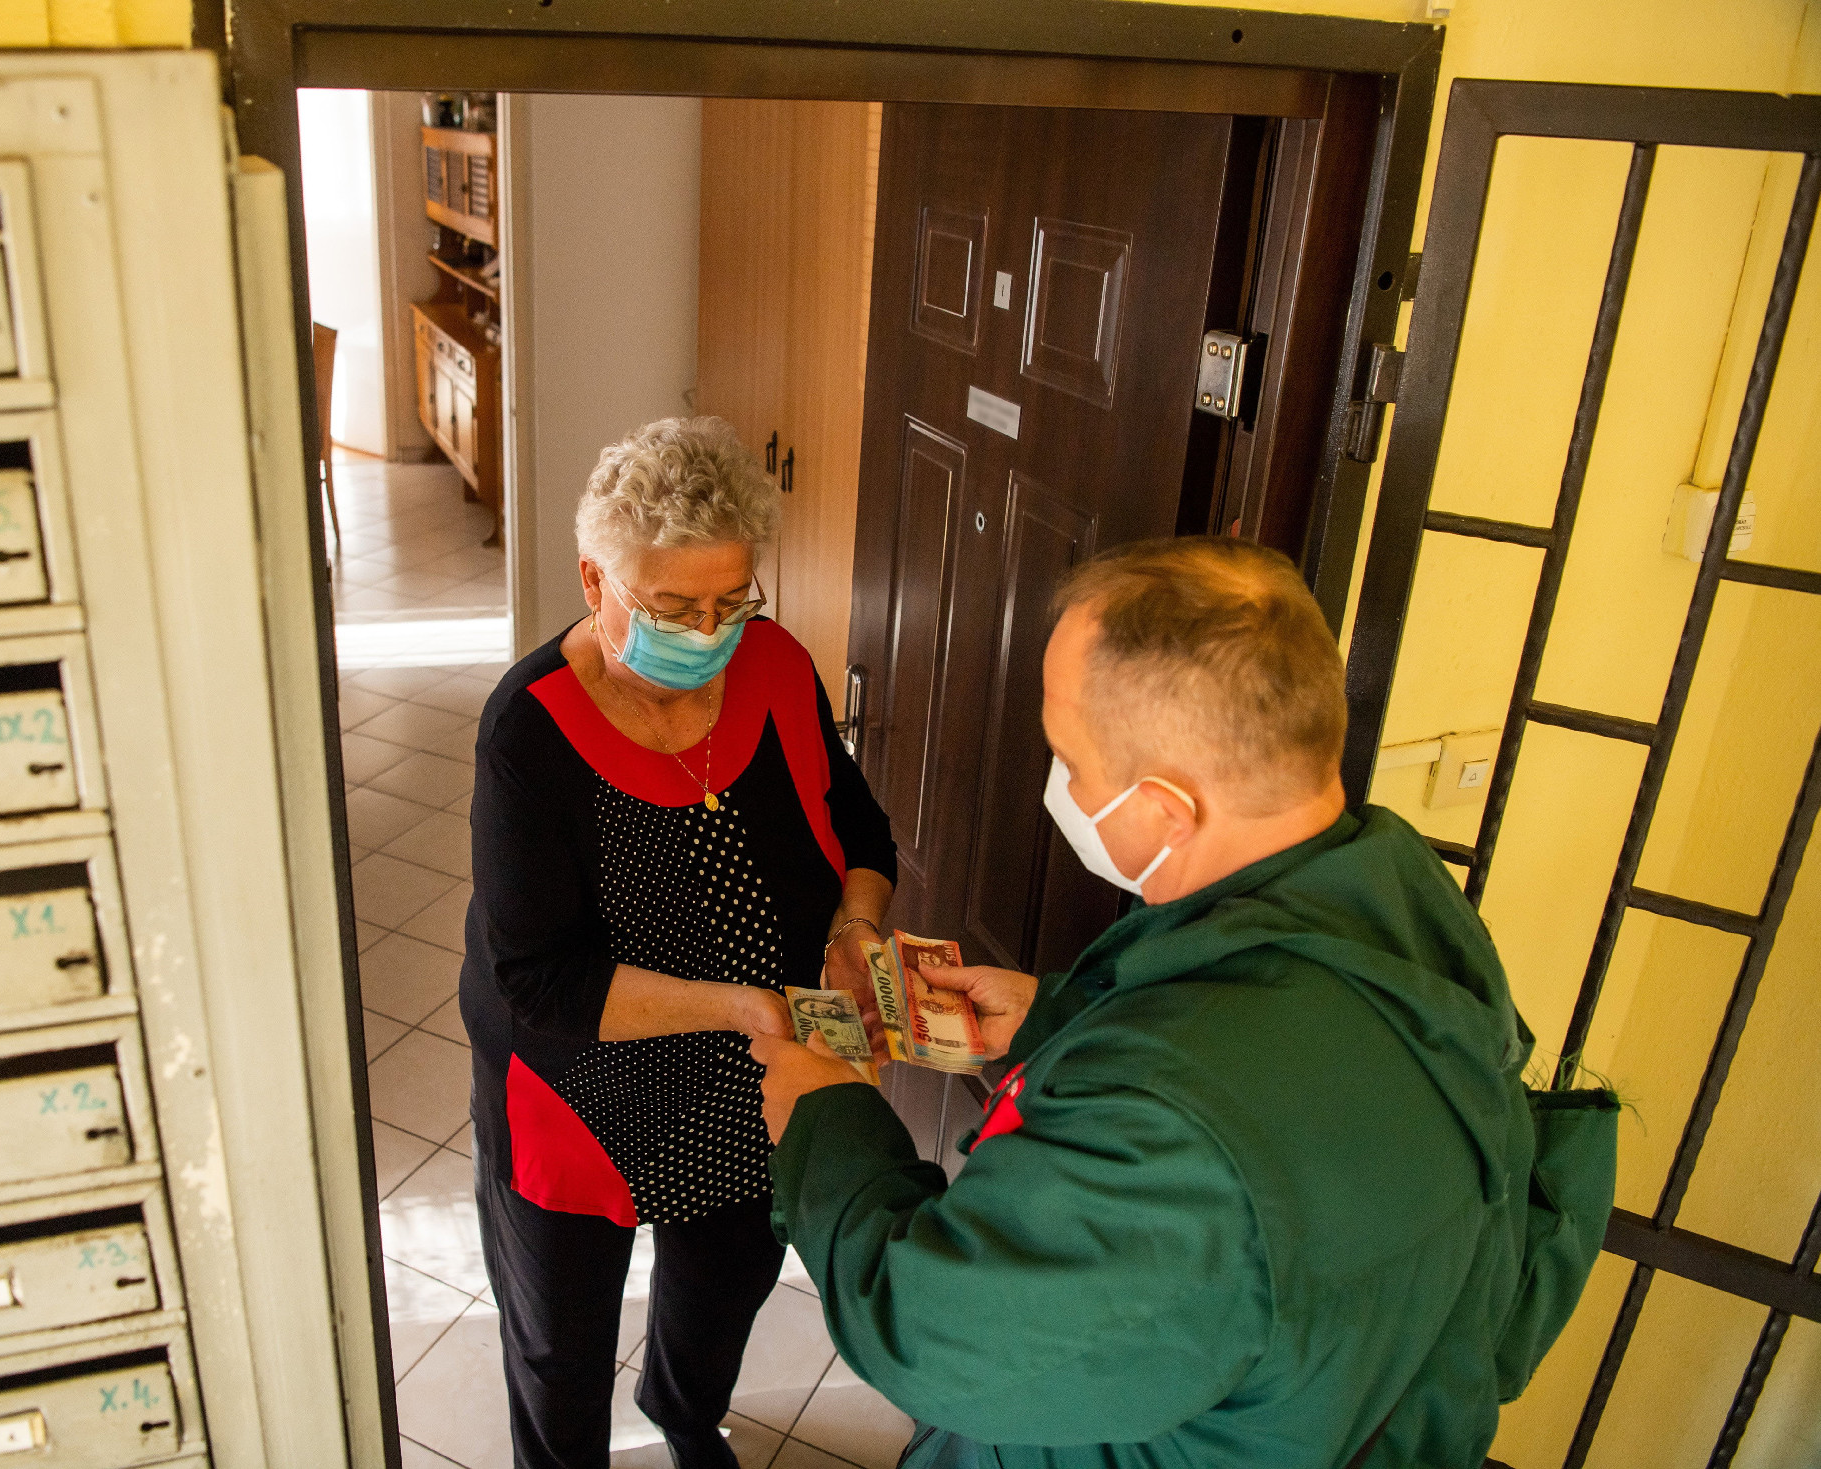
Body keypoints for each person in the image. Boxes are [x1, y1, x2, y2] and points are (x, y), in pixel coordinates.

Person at [753, 537, 1610, 1468]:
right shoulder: (1399, 902)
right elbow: (1285, 1080)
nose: (1062, 789)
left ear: (1164, 809)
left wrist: (825, 1114)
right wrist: (1057, 1019)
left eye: (1069, 761)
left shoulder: (1165, 1133)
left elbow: (925, 1329)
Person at [463, 416, 898, 1469]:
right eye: (671, 606)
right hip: (579, 1087)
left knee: (719, 1292)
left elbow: (859, 829)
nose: (707, 631)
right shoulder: (530, 728)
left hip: (753, 1078)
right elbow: (537, 977)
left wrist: (854, 928)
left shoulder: (777, 664)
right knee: (560, 1343)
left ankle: (683, 1412)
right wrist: (748, 1002)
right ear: (593, 579)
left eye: (729, 601)